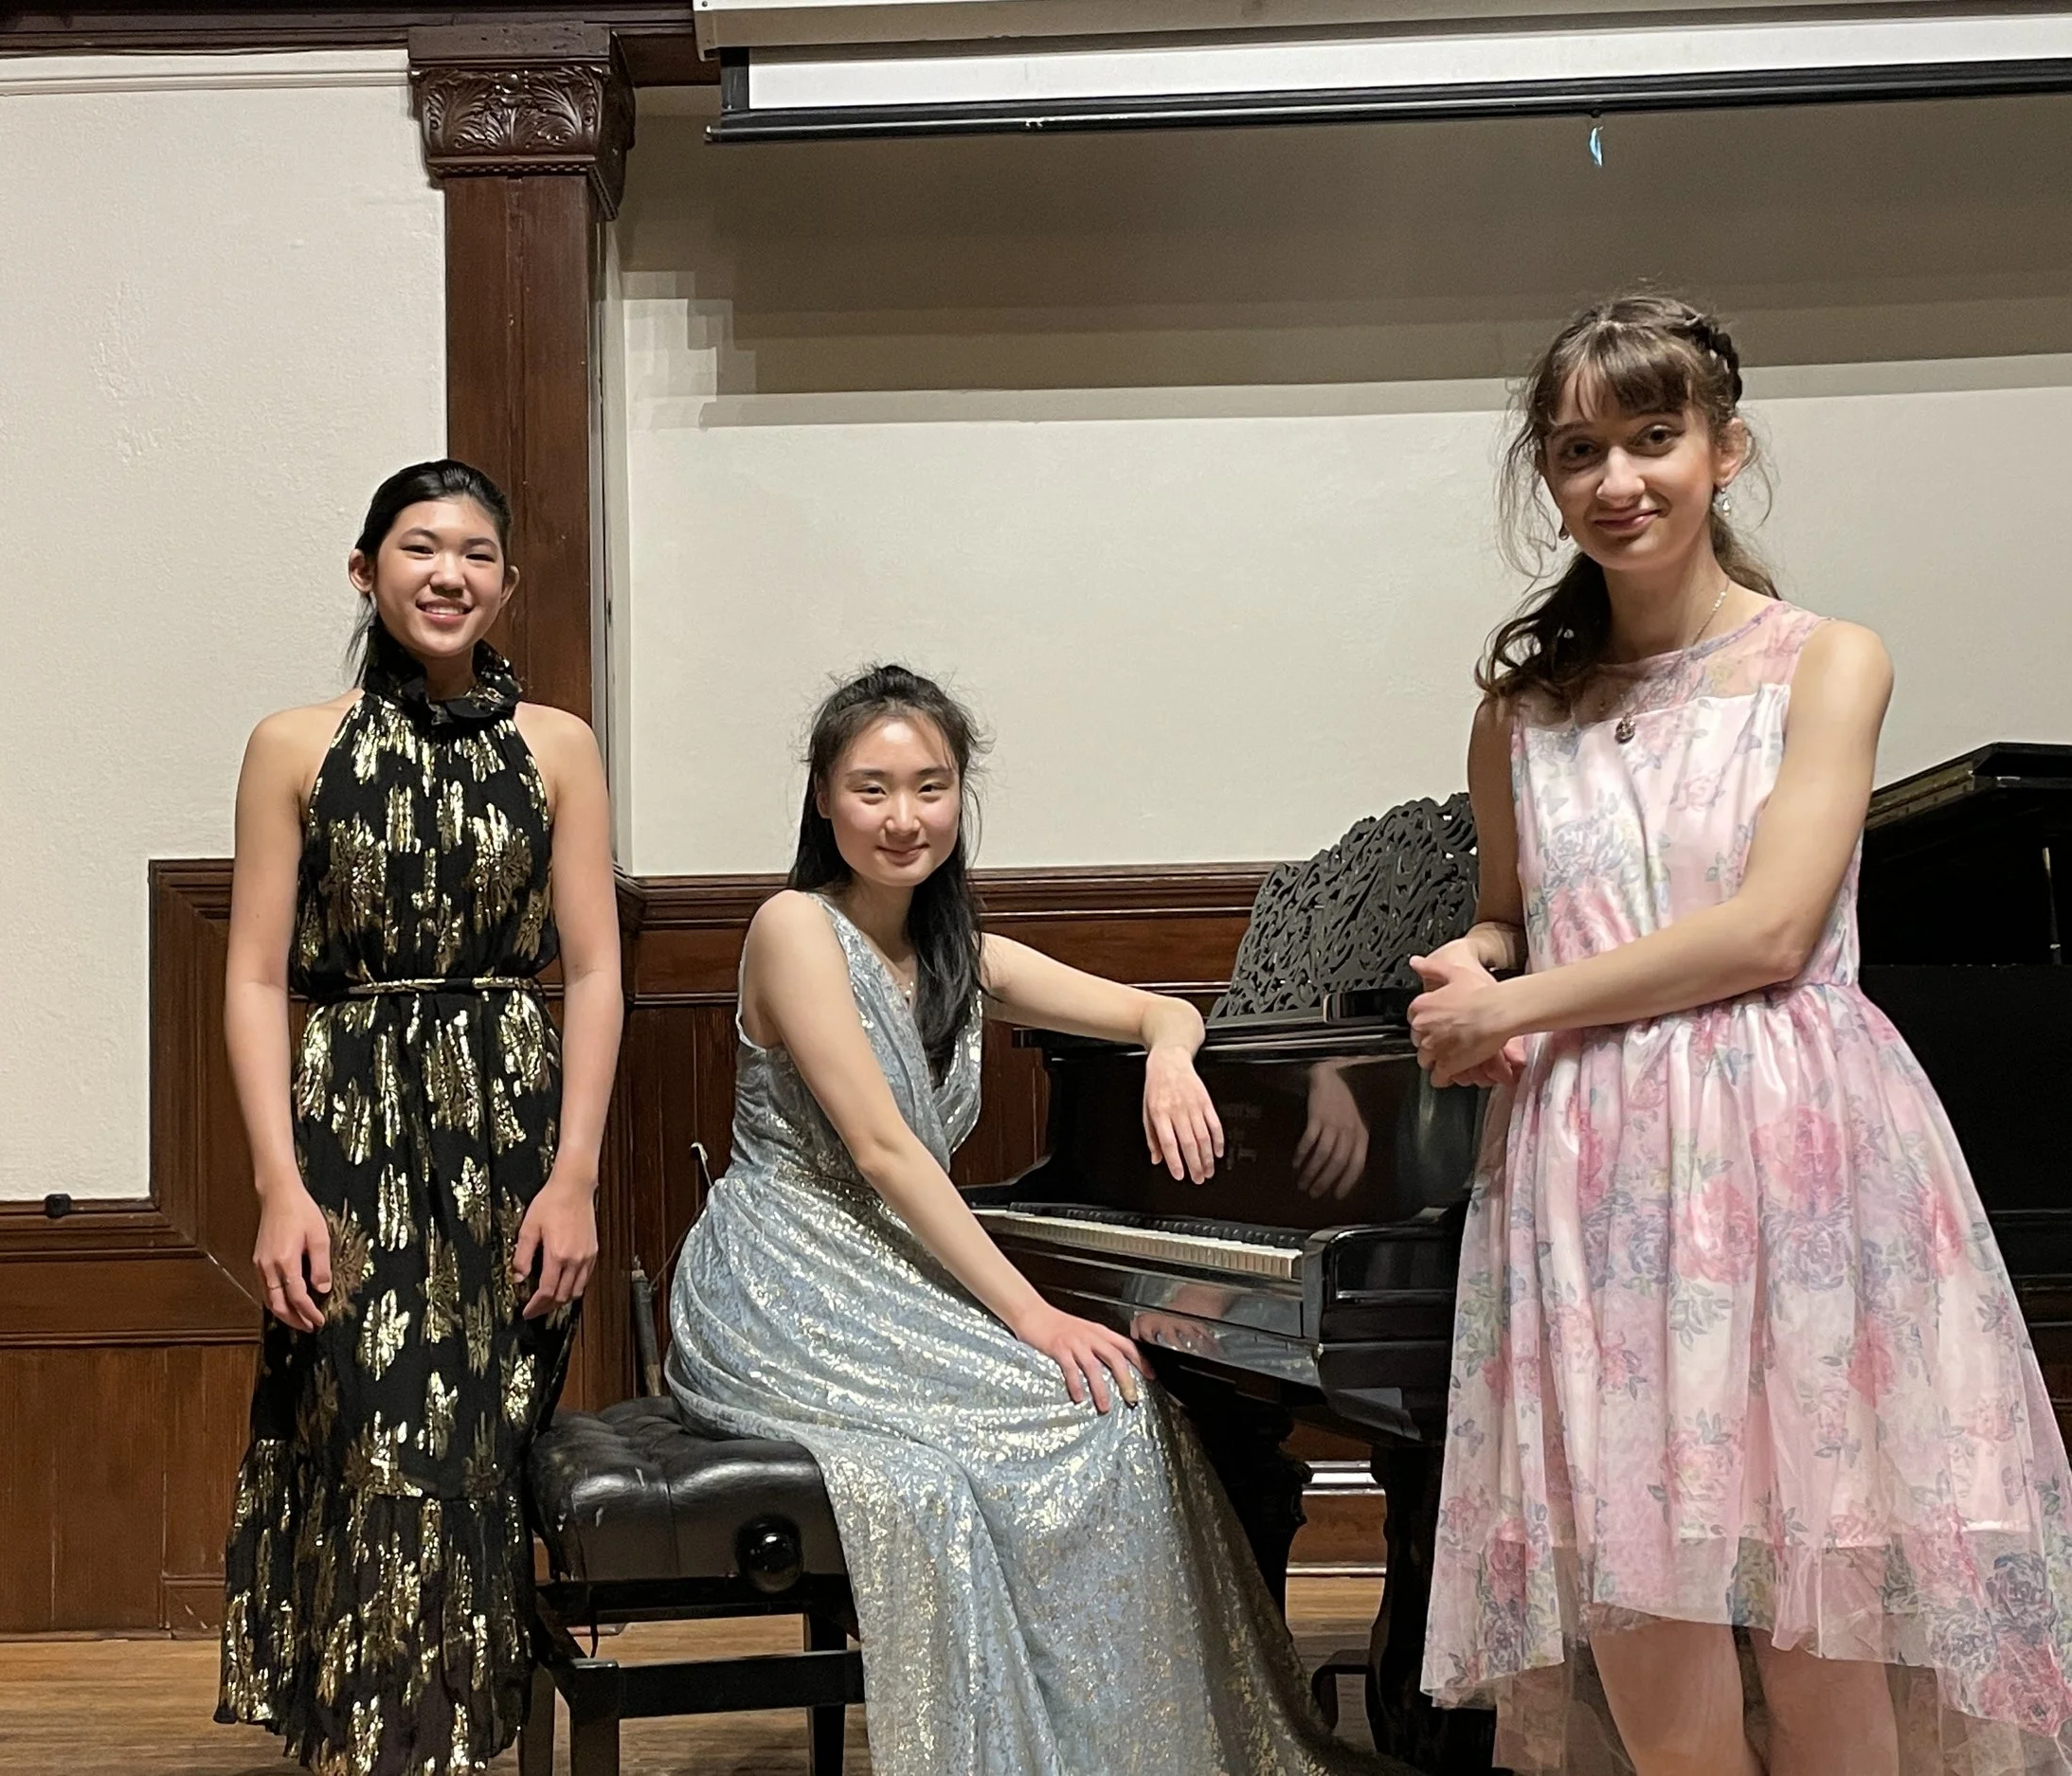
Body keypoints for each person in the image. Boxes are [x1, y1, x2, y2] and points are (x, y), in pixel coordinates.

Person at [1411, 294, 2072, 1775]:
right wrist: (1480, 950)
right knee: (1649, 1635)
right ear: (1549, 479)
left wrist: (1512, 999)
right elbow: (1511, 908)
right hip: (1589, 1174)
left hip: (1792, 1153)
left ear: (1726, 447)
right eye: (1580, 450)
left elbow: (1775, 928)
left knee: (1826, 1630)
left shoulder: (1827, 659)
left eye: (1655, 437)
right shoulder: (1522, 707)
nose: (1619, 479)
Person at [665, 664, 1399, 1775]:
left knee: (1125, 1419)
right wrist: (1036, 1317)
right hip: (787, 1272)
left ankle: (1125, 1742)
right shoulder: (792, 929)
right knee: (1050, 1417)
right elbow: (882, 1150)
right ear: (821, 798)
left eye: (930, 786)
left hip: (898, 1263)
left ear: (961, 797)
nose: (903, 817)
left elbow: (1160, 1006)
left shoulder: (972, 958)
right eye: (871, 788)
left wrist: (1165, 1057)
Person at [213, 459, 623, 1773]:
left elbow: (599, 969)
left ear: (507, 581)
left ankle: (454, 1735)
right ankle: (383, 1746)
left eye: (478, 552)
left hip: (509, 1119)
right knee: (371, 1436)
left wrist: (578, 1176)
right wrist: (278, 1183)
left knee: (484, 1445)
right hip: (350, 1123)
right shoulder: (295, 743)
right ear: (366, 571)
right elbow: (256, 974)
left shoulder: (558, 743)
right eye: (419, 545)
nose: (449, 572)